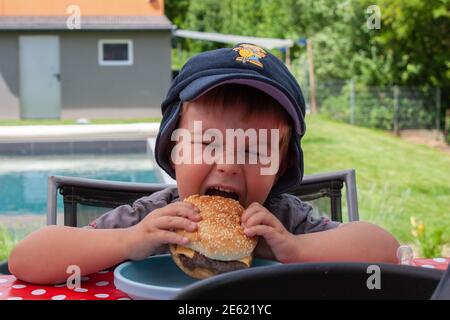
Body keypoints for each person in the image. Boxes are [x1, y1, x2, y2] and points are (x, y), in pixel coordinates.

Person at [9, 43, 399, 285]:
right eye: (208, 143)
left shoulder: (284, 222)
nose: (228, 164)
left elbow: (384, 251)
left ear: (280, 167)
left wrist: (295, 249)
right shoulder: (154, 219)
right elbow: (25, 260)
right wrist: (127, 241)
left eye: (253, 149)